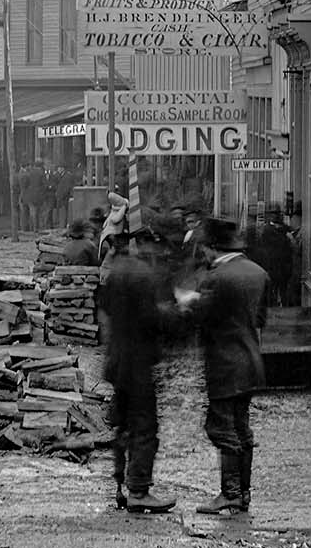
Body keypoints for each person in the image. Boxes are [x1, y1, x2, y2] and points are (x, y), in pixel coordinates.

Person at [177, 217, 269, 515]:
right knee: (242, 427)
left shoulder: (215, 278)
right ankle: (243, 492)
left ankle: (229, 493)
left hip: (224, 363)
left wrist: (188, 302)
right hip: (250, 360)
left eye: (204, 248)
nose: (202, 254)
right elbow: (260, 320)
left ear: (212, 248)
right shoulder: (258, 273)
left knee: (220, 427)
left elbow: (201, 320)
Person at [99, 227, 178, 513]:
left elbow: (105, 308)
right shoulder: (142, 275)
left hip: (117, 361)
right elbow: (152, 319)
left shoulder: (115, 272)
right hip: (138, 364)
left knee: (122, 425)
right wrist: (174, 314)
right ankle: (139, 490)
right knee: (145, 426)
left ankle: (120, 484)